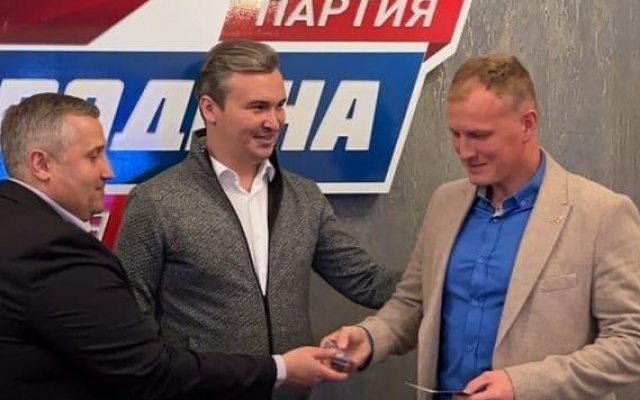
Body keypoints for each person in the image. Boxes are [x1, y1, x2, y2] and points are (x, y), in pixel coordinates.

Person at [323, 54, 640, 400]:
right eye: (456, 134)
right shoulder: (445, 203)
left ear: (527, 124)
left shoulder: (602, 214)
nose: (464, 151)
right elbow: (413, 303)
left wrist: (522, 386)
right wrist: (370, 338)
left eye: (479, 135)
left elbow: (631, 342)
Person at [0, 92, 348, 400]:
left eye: (279, 106)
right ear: (41, 164)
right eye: (93, 156)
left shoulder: (13, 220)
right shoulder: (56, 250)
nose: (108, 171)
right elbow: (146, 370)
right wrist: (280, 369)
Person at [114, 39, 400, 400]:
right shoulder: (156, 201)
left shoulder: (304, 197)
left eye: (280, 105)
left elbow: (367, 281)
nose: (274, 121)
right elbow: (131, 321)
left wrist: (448, 280)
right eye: (257, 107)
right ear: (210, 108)